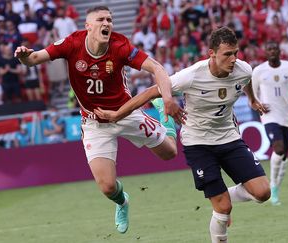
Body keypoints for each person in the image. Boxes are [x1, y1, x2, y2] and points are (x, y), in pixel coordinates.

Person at [14, 5, 185, 234]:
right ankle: (123, 202)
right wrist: (25, 57)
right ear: (88, 26)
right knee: (107, 187)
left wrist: (166, 99)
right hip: (95, 123)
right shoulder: (72, 43)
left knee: (170, 153)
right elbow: (34, 58)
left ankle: (166, 122)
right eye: (101, 20)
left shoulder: (120, 45)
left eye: (109, 20)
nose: (107, 24)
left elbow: (156, 67)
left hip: (126, 113)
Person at [94, 26, 271, 243]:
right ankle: (220, 203)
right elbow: (152, 90)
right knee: (223, 208)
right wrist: (118, 114)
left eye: (235, 52)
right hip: (199, 144)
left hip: (230, 138)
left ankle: (221, 196)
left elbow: (246, 80)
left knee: (263, 193)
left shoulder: (243, 69)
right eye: (227, 54)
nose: (233, 59)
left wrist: (252, 99)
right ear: (212, 54)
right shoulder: (191, 76)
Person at [251, 41, 288, 206]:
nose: (272, 51)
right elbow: (251, 93)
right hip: (269, 116)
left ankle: (276, 188)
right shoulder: (259, 71)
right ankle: (272, 186)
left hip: (286, 115)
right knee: (278, 149)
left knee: (284, 156)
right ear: (265, 53)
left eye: (274, 48)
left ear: (280, 51)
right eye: (269, 49)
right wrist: (258, 104)